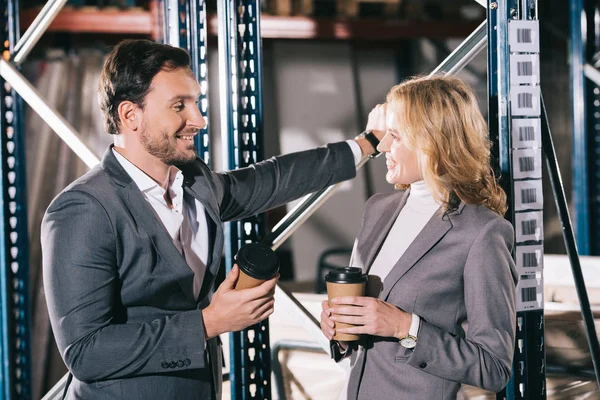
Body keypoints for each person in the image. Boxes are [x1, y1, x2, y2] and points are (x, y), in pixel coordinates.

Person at [41, 39, 380, 400]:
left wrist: (367, 143)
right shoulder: (83, 210)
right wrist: (209, 323)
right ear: (130, 115)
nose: (199, 120)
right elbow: (86, 352)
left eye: (196, 102)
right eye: (179, 106)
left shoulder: (196, 182)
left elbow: (273, 179)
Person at [320, 75, 518, 400]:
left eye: (395, 136)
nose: (382, 146)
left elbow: (494, 367)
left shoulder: (482, 232)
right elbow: (359, 326)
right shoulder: (377, 210)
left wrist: (406, 327)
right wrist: (341, 331)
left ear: (432, 142)